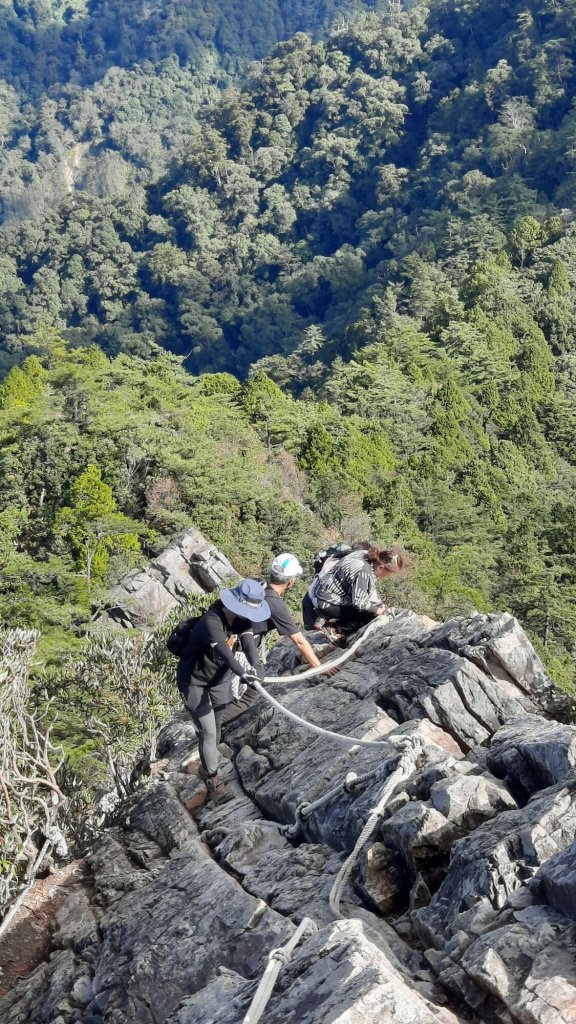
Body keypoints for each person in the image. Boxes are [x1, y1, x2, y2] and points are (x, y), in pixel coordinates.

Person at [177, 579, 269, 803]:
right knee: (208, 731)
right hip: (193, 681)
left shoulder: (241, 620)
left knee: (216, 727)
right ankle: (212, 776)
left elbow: (248, 643)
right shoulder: (212, 621)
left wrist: (256, 668)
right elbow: (226, 654)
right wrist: (244, 674)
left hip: (219, 679)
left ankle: (207, 761)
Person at [221, 552, 336, 725]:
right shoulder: (275, 604)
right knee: (249, 694)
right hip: (237, 652)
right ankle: (212, 725)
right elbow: (299, 641)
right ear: (291, 581)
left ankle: (211, 724)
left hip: (223, 643)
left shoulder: (256, 586)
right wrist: (320, 668)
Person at [314, 546, 404, 639]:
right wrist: (380, 611)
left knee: (373, 608)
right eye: (389, 573)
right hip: (329, 603)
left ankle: (324, 618)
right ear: (381, 568)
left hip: (323, 594)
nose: (388, 577)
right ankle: (336, 629)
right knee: (369, 615)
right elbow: (360, 603)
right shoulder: (363, 571)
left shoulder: (364, 554)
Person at [303, 541, 369, 629]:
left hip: (309, 598)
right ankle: (330, 624)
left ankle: (323, 620)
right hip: (324, 602)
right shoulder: (351, 565)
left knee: (310, 635)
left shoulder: (335, 558)